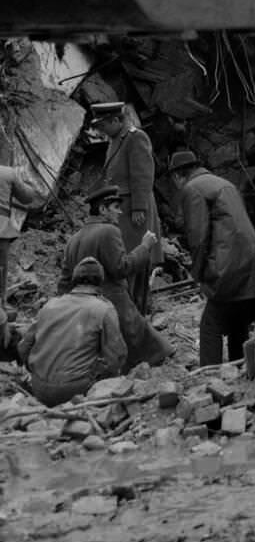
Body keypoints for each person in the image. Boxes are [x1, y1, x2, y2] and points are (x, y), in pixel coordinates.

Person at [173, 151, 255, 366]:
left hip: (226, 263)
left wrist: (199, 272)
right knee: (237, 320)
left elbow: (198, 237)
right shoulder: (223, 183)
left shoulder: (192, 189)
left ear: (177, 176)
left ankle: (210, 377)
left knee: (211, 325)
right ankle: (240, 369)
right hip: (250, 259)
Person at [62, 183, 171, 368]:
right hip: (115, 307)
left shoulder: (74, 239)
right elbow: (122, 267)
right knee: (154, 354)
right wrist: (144, 247)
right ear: (103, 209)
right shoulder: (108, 231)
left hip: (82, 310)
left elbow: (64, 281)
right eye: (115, 207)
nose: (120, 213)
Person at [20, 257, 127, 406]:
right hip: (73, 391)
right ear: (100, 282)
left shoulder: (50, 305)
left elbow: (24, 347)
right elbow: (117, 357)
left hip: (39, 388)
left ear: (74, 280)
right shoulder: (104, 309)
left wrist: (36, 372)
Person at [93, 102, 163, 315]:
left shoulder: (135, 137)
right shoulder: (115, 140)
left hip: (133, 207)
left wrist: (139, 207)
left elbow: (142, 174)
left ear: (116, 120)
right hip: (122, 206)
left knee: (135, 256)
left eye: (103, 124)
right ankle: (131, 304)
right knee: (125, 255)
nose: (100, 129)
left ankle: (137, 305)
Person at [0, 164, 42, 305]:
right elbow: (27, 197)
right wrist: (30, 184)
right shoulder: (8, 173)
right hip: (1, 228)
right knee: (1, 270)